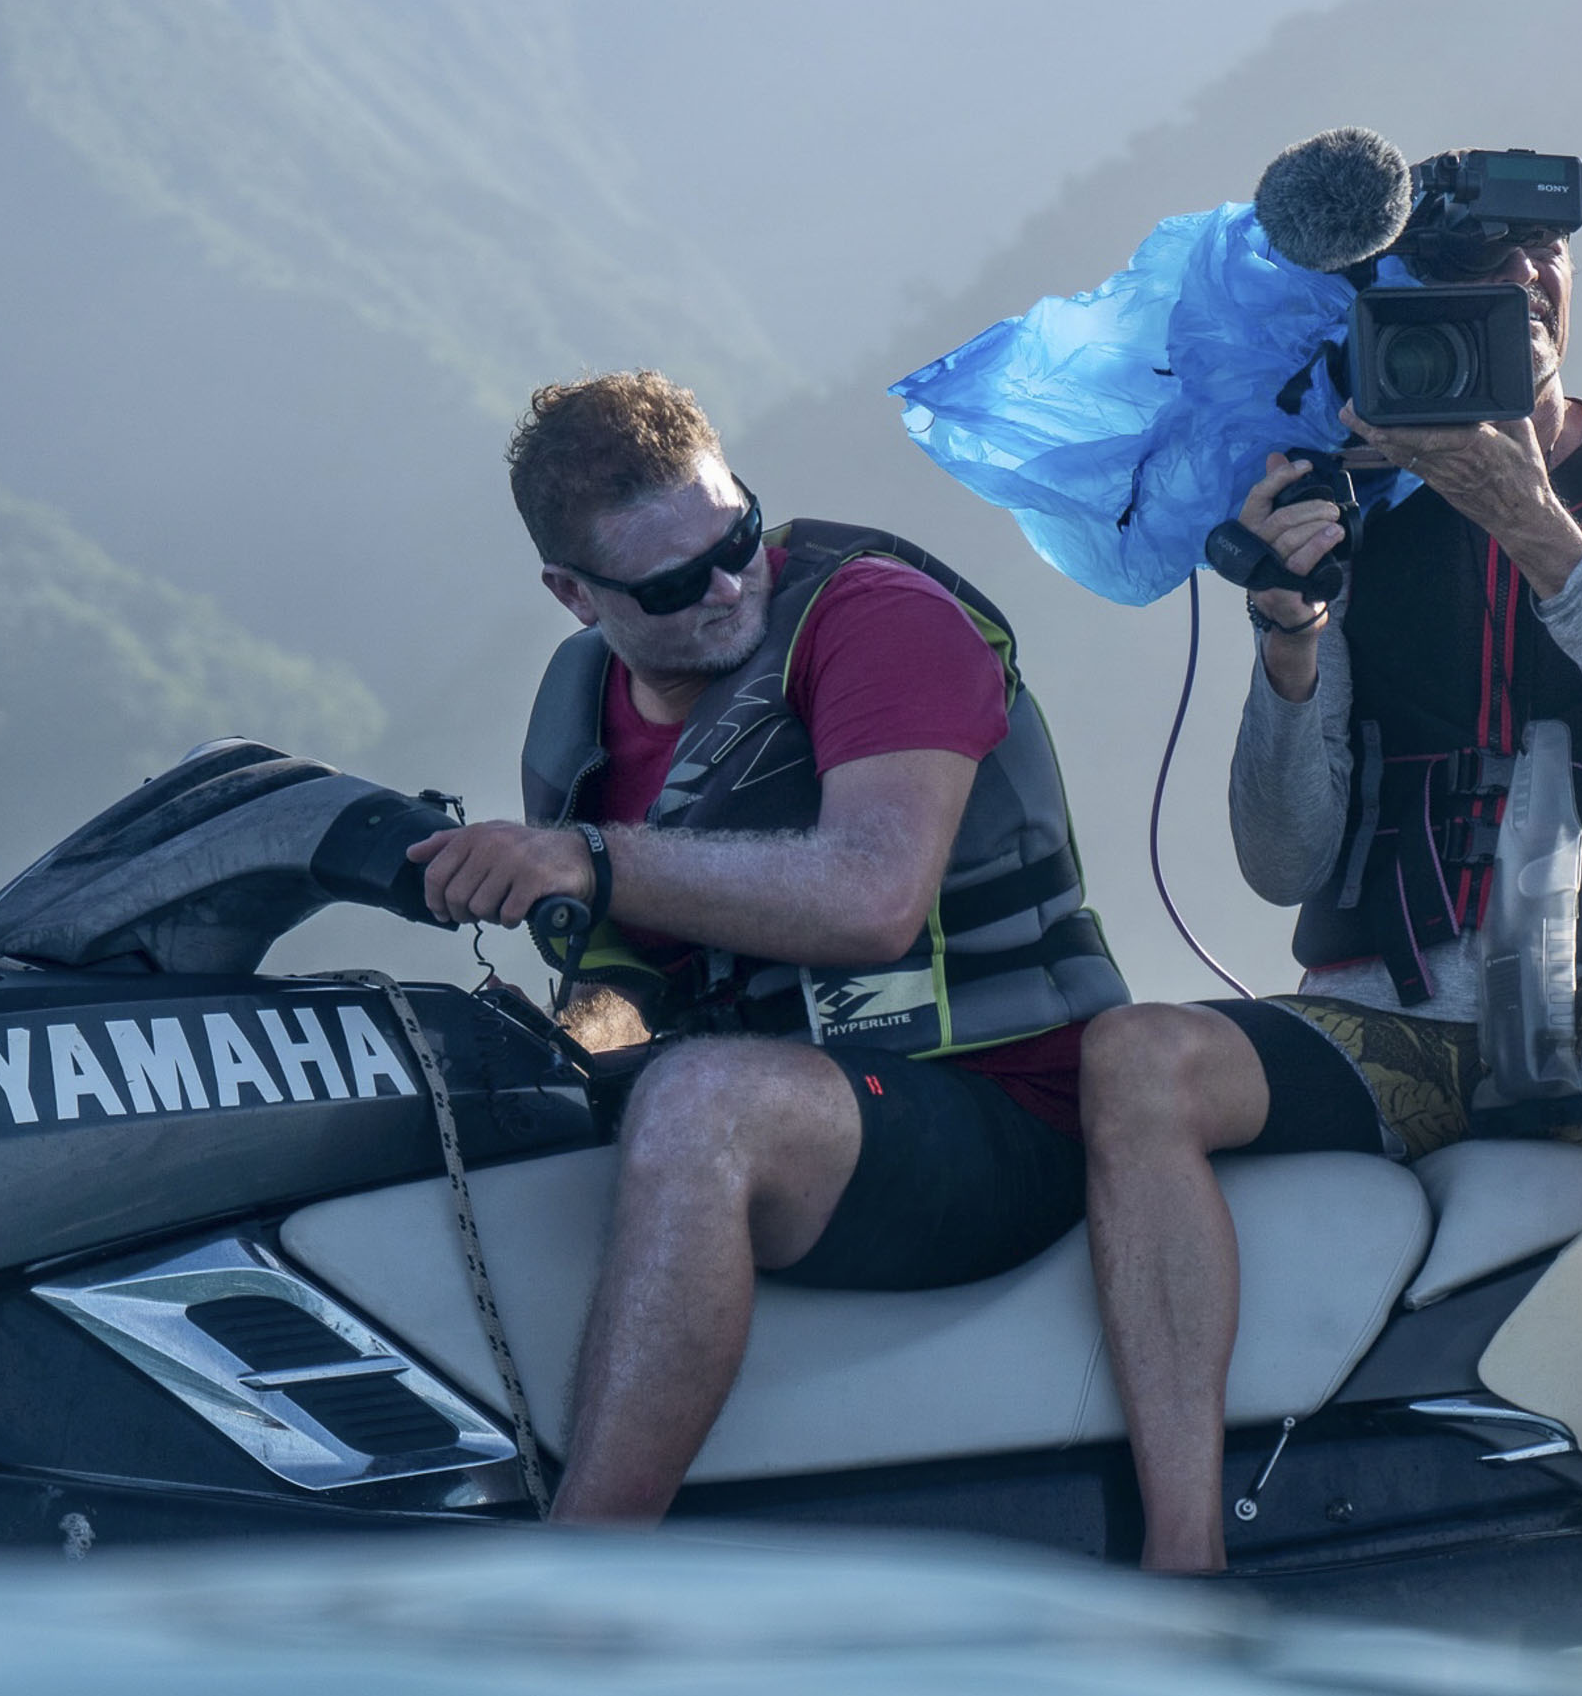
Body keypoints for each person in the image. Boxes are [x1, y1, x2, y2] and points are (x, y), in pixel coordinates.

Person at [1080, 158, 1582, 1571]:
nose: (1527, 280)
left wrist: (1533, 522)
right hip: (1393, 1019)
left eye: (1547, 253)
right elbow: (1281, 862)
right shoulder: (1340, 493)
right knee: (1129, 1062)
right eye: (1485, 263)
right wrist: (1289, 646)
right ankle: (1183, 1551)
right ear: (1409, 304)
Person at [407, 371, 1127, 1522]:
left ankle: (583, 1571)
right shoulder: (575, 707)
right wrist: (542, 1058)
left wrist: (593, 859)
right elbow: (623, 989)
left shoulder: (879, 620)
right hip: (814, 1112)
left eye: (736, 532)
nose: (730, 583)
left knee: (703, 1104)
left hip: (1002, 1105)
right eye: (676, 581)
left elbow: (872, 899)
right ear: (573, 594)